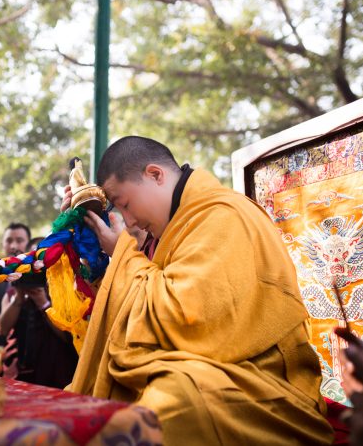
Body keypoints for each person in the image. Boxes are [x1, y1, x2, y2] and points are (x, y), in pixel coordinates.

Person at [65, 136, 334, 444]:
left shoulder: (222, 215)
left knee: (171, 401)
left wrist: (124, 256)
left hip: (264, 379)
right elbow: (136, 307)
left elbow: (187, 316)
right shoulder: (174, 226)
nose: (128, 219)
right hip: (212, 369)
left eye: (125, 204)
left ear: (155, 174)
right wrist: (108, 255)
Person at [0, 237, 78, 388]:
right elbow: (2, 328)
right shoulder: (12, 293)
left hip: (56, 371)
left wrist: (44, 304)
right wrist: (19, 298)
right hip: (19, 371)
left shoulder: (63, 292)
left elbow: (68, 336)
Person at [0, 222, 31, 324]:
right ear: (2, 244)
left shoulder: (41, 274)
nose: (13, 246)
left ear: (29, 243)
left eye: (19, 240)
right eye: (9, 241)